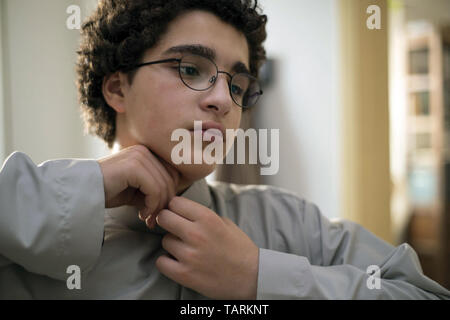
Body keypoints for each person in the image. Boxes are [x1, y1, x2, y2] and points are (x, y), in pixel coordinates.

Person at [0, 0, 449, 300]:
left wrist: (259, 277)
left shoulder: (287, 224)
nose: (222, 100)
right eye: (191, 68)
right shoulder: (21, 242)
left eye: (237, 84)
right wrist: (80, 189)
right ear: (118, 88)